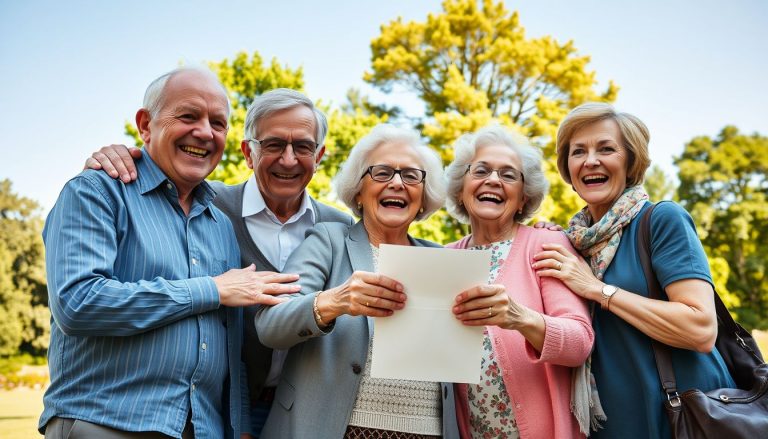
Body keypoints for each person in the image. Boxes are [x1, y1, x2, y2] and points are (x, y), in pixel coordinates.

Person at [40, 67, 302, 439]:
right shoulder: (97, 192)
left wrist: (240, 427)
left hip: (202, 430)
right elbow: (77, 302)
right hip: (105, 422)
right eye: (188, 116)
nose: (205, 132)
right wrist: (210, 289)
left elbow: (231, 345)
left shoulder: (219, 224)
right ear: (145, 125)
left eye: (218, 123)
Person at [84, 88, 354, 437]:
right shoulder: (205, 207)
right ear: (247, 152)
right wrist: (111, 159)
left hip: (308, 410)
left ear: (319, 155)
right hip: (221, 411)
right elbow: (149, 184)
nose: (288, 160)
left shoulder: (341, 228)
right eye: (272, 145)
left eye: (302, 147)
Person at [532, 102, 734, 439]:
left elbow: (700, 329)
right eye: (578, 151)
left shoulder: (660, 220)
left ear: (630, 161)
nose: (590, 160)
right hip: (611, 423)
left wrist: (598, 290)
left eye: (606, 149)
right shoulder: (573, 243)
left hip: (682, 419)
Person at [254, 124, 459, 438]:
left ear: (423, 196)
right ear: (359, 191)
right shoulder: (329, 240)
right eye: (382, 173)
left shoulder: (442, 260)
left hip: (425, 432)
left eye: (410, 175)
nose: (397, 183)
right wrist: (332, 302)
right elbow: (270, 326)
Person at [443, 125, 594, 439]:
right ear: (460, 188)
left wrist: (520, 317)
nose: (494, 180)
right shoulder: (443, 258)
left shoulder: (546, 243)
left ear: (524, 197)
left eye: (509, 175)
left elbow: (580, 342)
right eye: (481, 170)